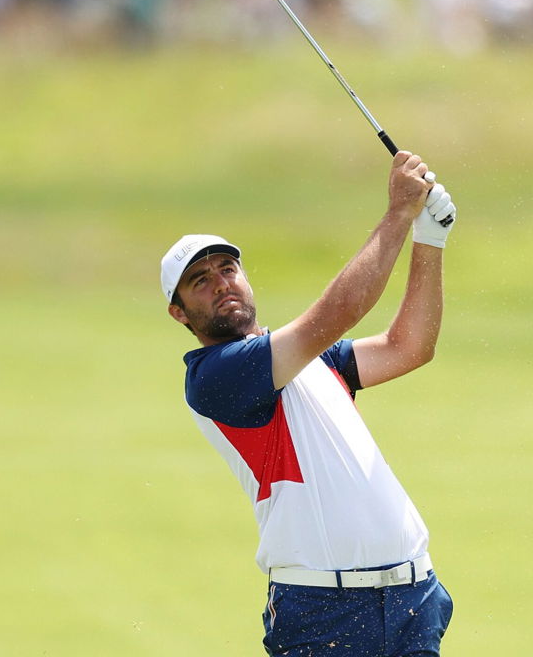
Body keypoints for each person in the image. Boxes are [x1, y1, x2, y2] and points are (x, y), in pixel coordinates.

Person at [160, 151, 457, 657]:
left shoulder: (315, 362)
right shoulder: (215, 376)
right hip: (324, 610)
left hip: (412, 598)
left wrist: (430, 239)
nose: (221, 284)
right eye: (200, 281)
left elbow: (410, 347)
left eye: (227, 269)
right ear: (180, 312)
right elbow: (339, 311)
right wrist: (397, 216)